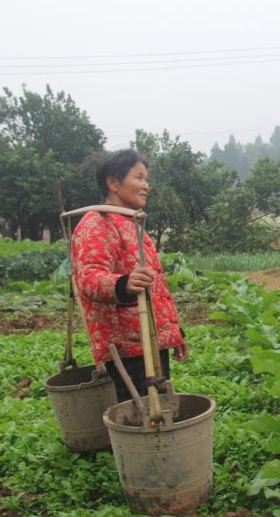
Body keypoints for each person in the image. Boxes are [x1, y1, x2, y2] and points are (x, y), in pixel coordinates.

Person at [71, 149, 188, 402]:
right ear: (113, 182)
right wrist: (123, 284)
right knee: (138, 414)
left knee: (160, 408)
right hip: (126, 347)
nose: (146, 186)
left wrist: (173, 333)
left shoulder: (130, 223)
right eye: (139, 178)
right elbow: (88, 278)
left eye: (146, 179)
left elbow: (155, 289)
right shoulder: (98, 223)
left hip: (149, 339)